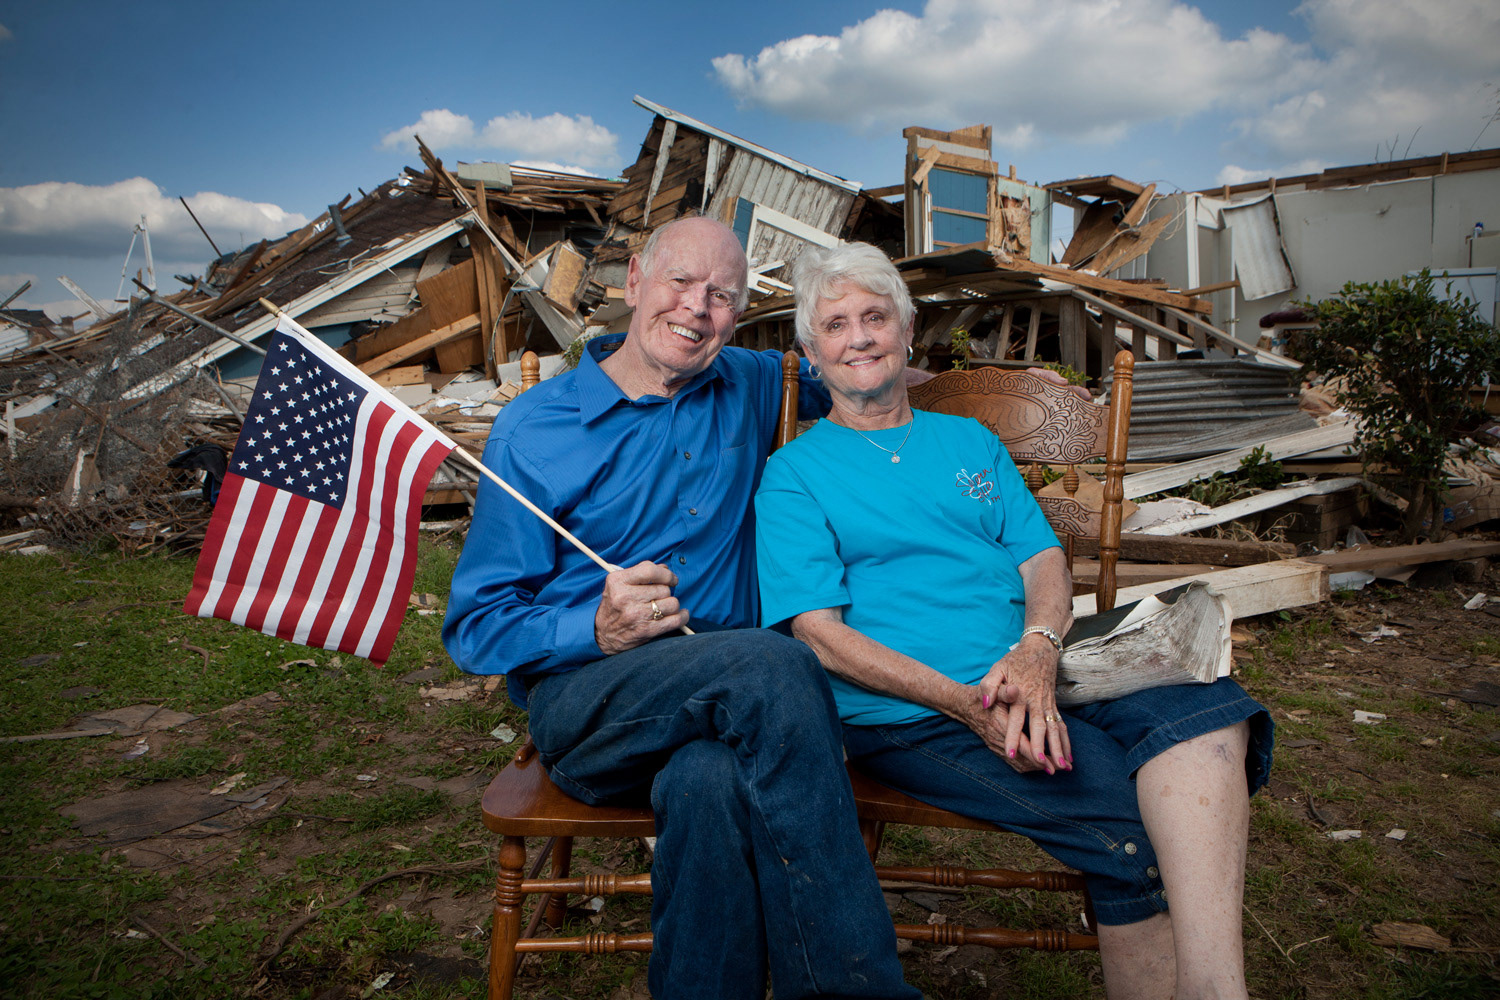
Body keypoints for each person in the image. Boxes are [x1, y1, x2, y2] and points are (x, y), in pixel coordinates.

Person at [754, 241, 1274, 1000]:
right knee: (1128, 828)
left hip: (1039, 671)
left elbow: (1043, 563)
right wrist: (968, 704)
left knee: (1205, 707)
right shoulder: (796, 474)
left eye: (874, 317)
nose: (858, 337)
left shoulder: (970, 441)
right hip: (917, 710)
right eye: (835, 325)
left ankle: (1216, 989)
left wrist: (1037, 646)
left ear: (906, 332)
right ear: (811, 350)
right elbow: (819, 635)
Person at [444, 217, 919, 1000]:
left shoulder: (752, 381)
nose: (698, 309)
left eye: (722, 296)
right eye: (681, 284)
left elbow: (857, 357)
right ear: (634, 282)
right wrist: (591, 626)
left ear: (737, 315)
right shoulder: (537, 428)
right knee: (776, 662)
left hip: (733, 719)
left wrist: (984, 401)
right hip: (592, 700)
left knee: (707, 784)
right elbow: (475, 626)